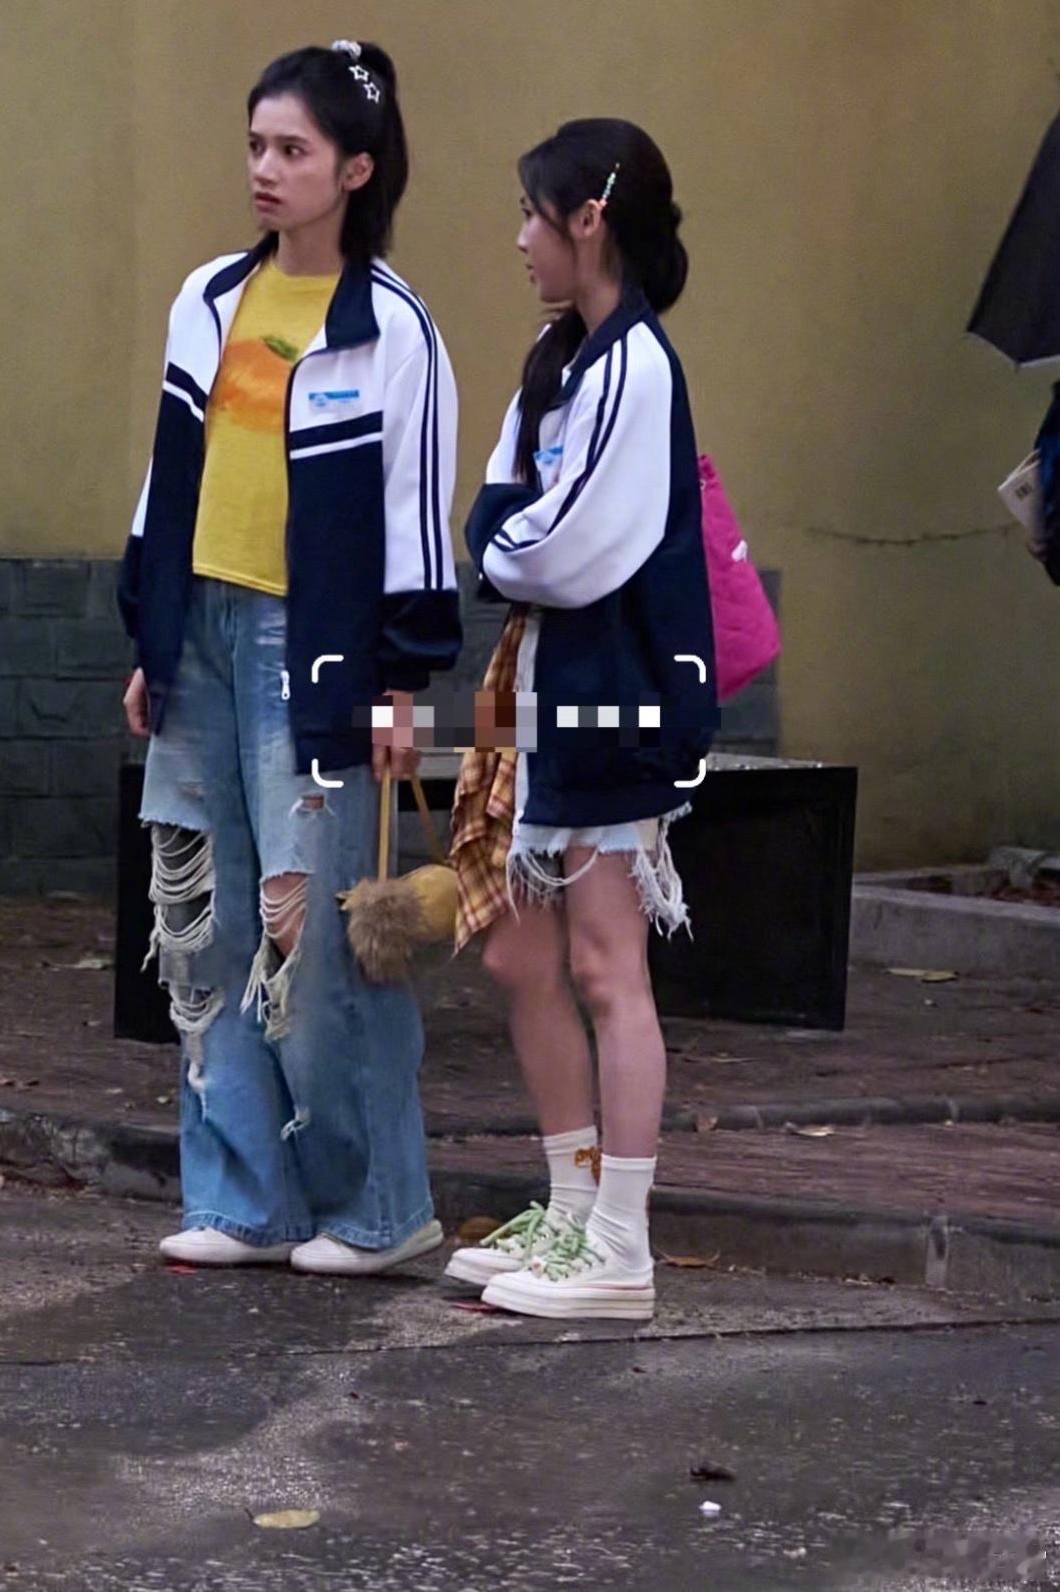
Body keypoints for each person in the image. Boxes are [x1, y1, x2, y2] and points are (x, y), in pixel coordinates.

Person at [118, 41, 460, 1275]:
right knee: (202, 923)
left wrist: (399, 683)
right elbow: (168, 479)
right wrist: (151, 637)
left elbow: (415, 521)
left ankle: (378, 1208)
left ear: (354, 171)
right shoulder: (208, 299)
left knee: (309, 932)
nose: (263, 169)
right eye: (256, 145)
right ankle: (242, 1200)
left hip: (311, 655)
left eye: (292, 150)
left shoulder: (393, 330)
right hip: (199, 640)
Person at [445, 118, 717, 1321]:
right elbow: (503, 512)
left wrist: (500, 539)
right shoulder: (561, 361)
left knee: (608, 965)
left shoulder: (635, 367)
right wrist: (505, 536)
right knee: (516, 952)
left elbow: (555, 546)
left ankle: (618, 1245)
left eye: (531, 213)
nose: (519, 239)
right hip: (533, 690)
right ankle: (569, 1206)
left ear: (588, 219)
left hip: (609, 697)